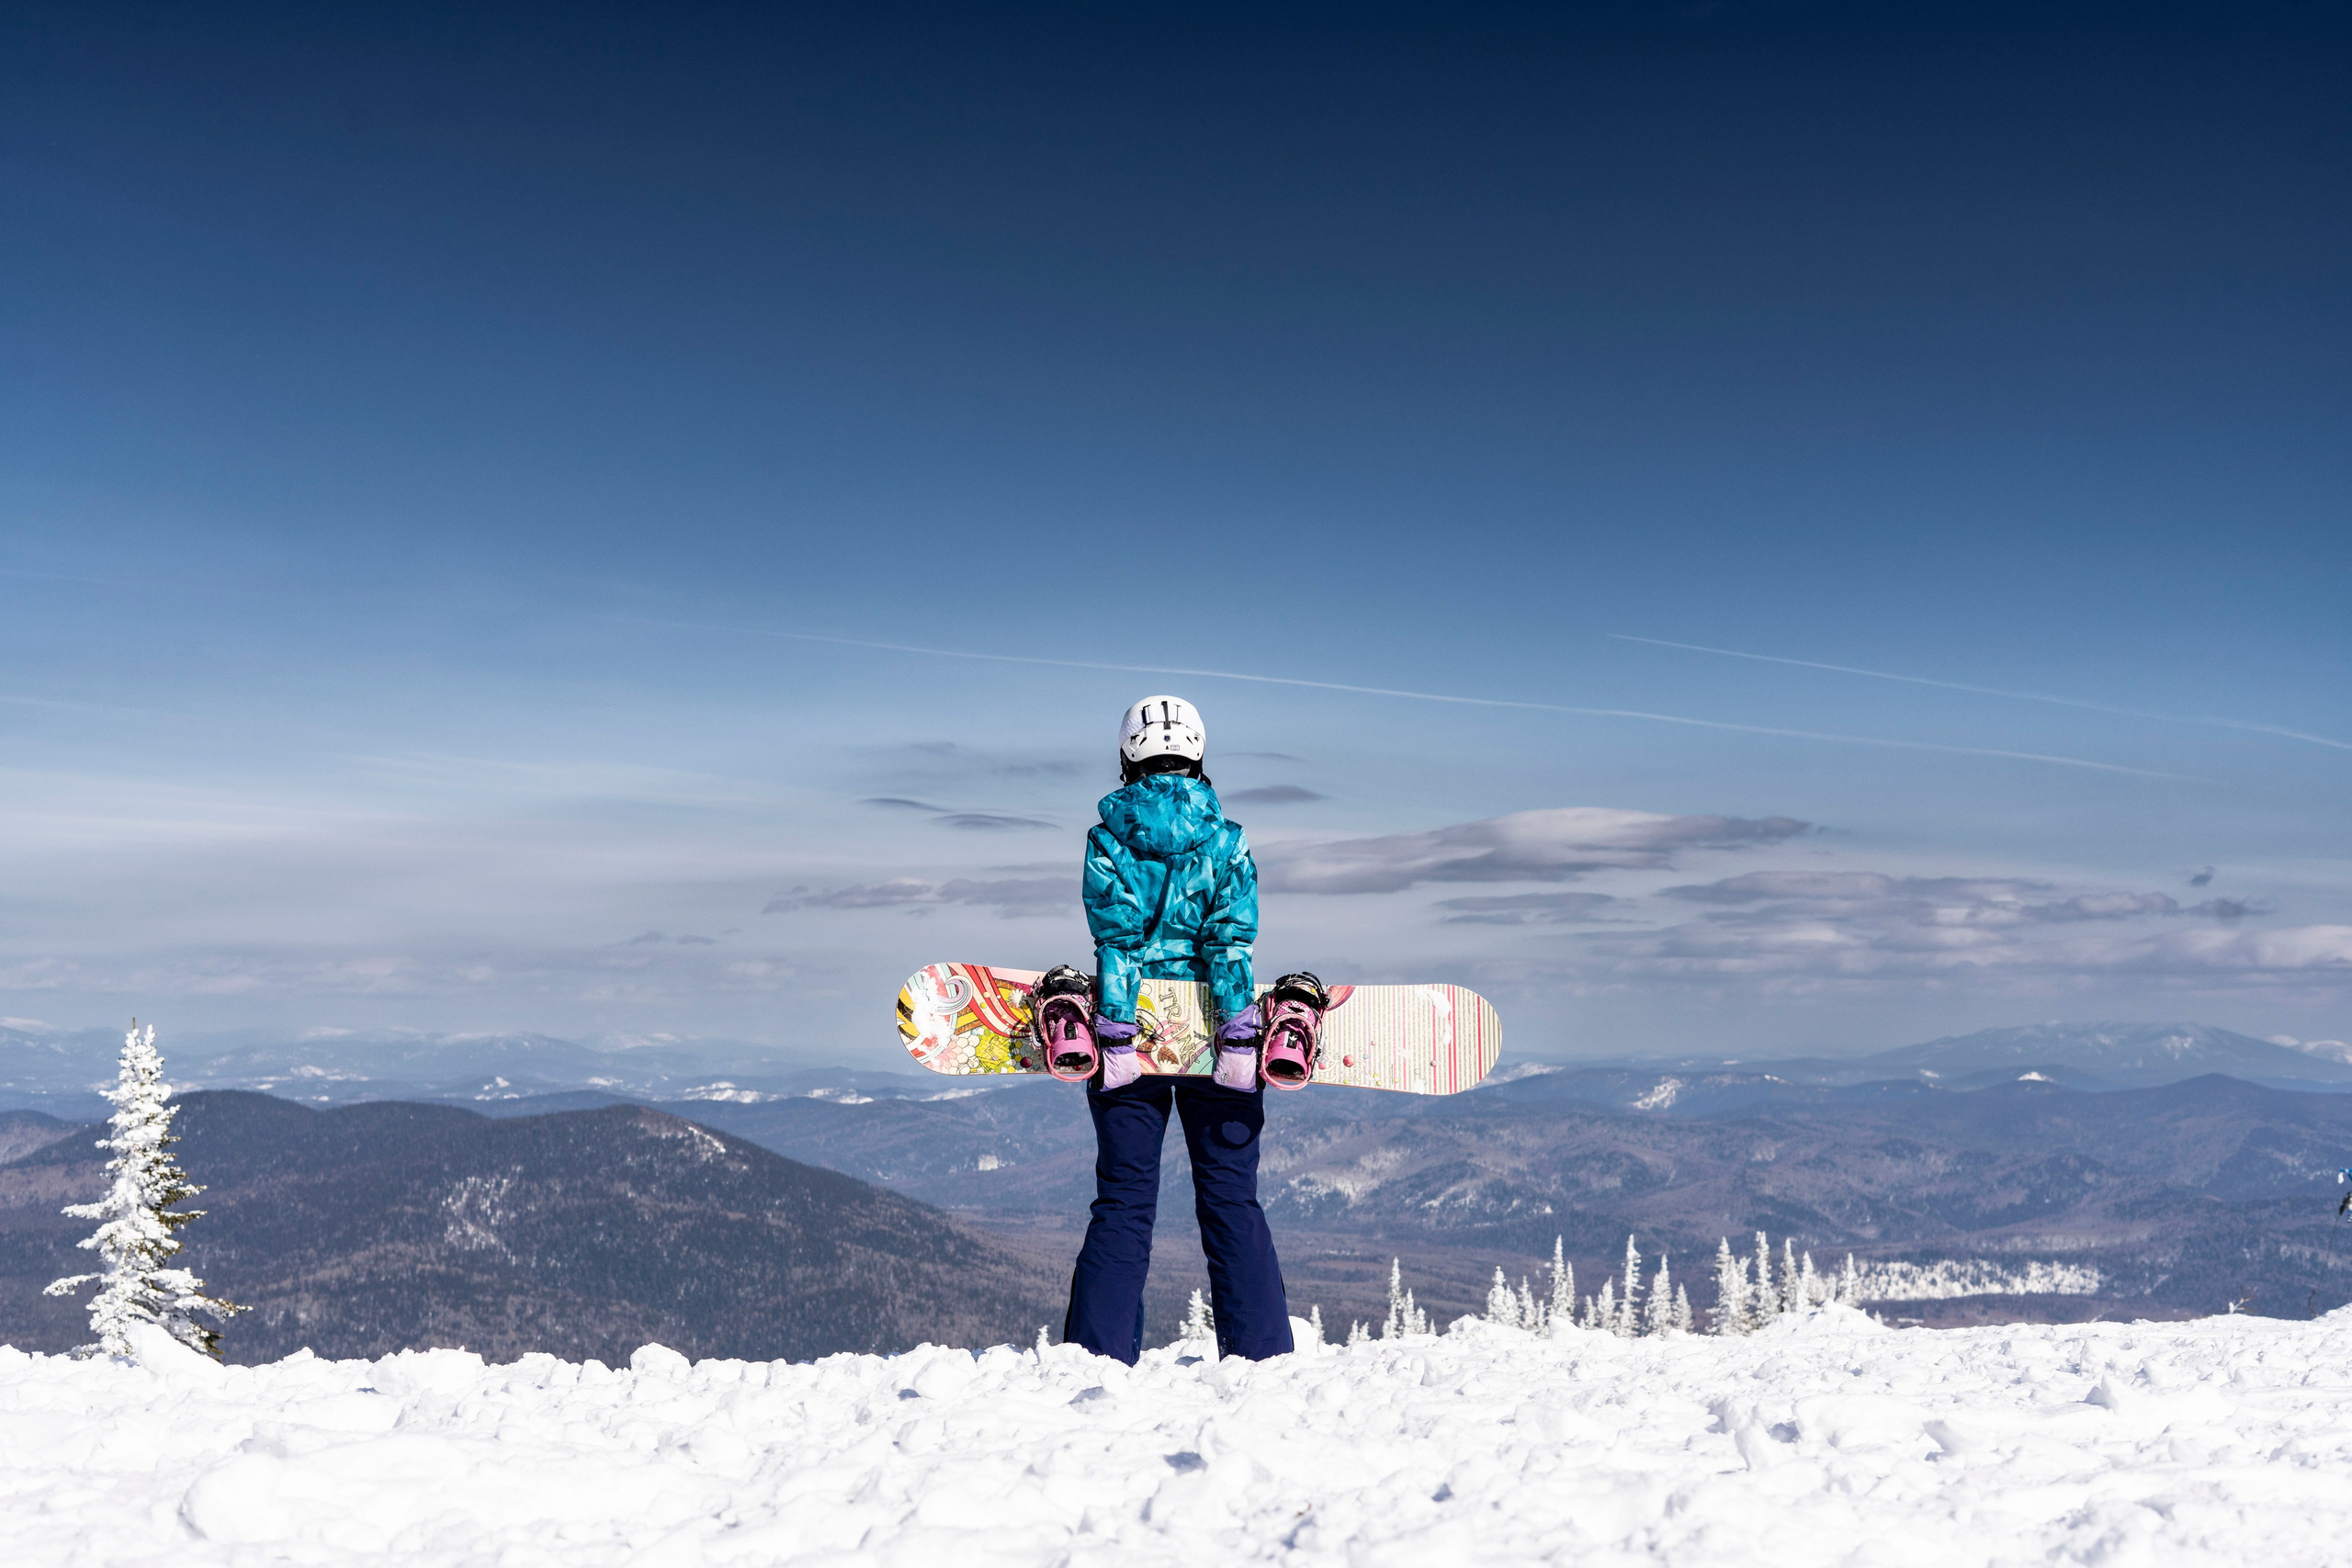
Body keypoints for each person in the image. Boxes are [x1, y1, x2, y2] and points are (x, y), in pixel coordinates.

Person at [1056, 694, 1296, 1364]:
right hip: (1220, 1039)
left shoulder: (1106, 840)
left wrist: (1115, 1034)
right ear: (1198, 754)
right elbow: (1230, 944)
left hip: (1128, 1038)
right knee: (1232, 1201)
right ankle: (1262, 1363)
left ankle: (1094, 1362)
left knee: (1124, 1201)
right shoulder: (1229, 841)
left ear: (1127, 756)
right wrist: (1240, 1037)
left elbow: (1118, 943)